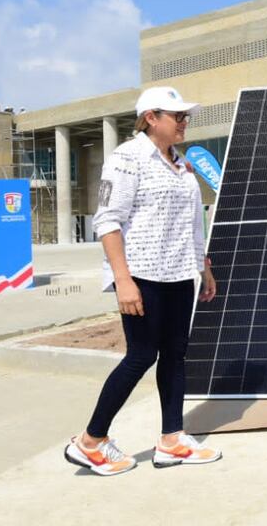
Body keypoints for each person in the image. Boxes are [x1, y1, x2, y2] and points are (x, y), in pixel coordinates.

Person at [63, 86, 221, 476]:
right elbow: (107, 220)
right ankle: (90, 441)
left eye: (186, 116)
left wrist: (203, 267)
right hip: (142, 275)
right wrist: (123, 279)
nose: (184, 122)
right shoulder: (127, 158)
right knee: (141, 355)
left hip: (179, 274)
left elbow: (192, 222)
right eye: (177, 116)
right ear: (151, 118)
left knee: (176, 355)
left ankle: (172, 439)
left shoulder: (181, 165)